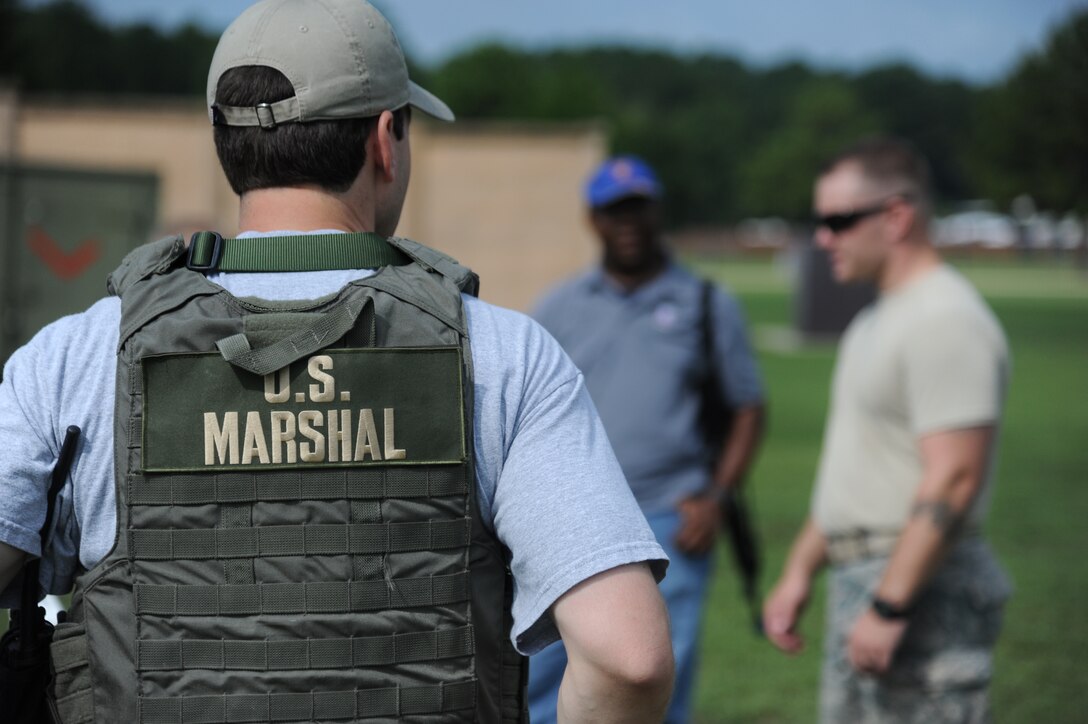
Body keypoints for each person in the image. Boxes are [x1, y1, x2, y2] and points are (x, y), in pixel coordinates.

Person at [0, 2, 675, 722]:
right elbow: (625, 661)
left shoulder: (73, 357)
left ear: (224, 144)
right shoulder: (502, 355)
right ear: (387, 139)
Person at [763, 136, 1012, 723]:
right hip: (867, 577)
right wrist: (801, 570)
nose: (823, 238)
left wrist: (891, 605)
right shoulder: (876, 320)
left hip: (920, 589)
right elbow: (860, 467)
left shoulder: (945, 318)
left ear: (897, 215)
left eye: (839, 221)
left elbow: (954, 477)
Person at [530, 156, 767, 723]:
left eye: (638, 208)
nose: (628, 223)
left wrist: (717, 496)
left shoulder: (706, 303)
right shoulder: (559, 306)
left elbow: (747, 408)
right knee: (542, 677)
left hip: (670, 522)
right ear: (594, 220)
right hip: (571, 521)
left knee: (653, 685)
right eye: (615, 211)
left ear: (658, 212)